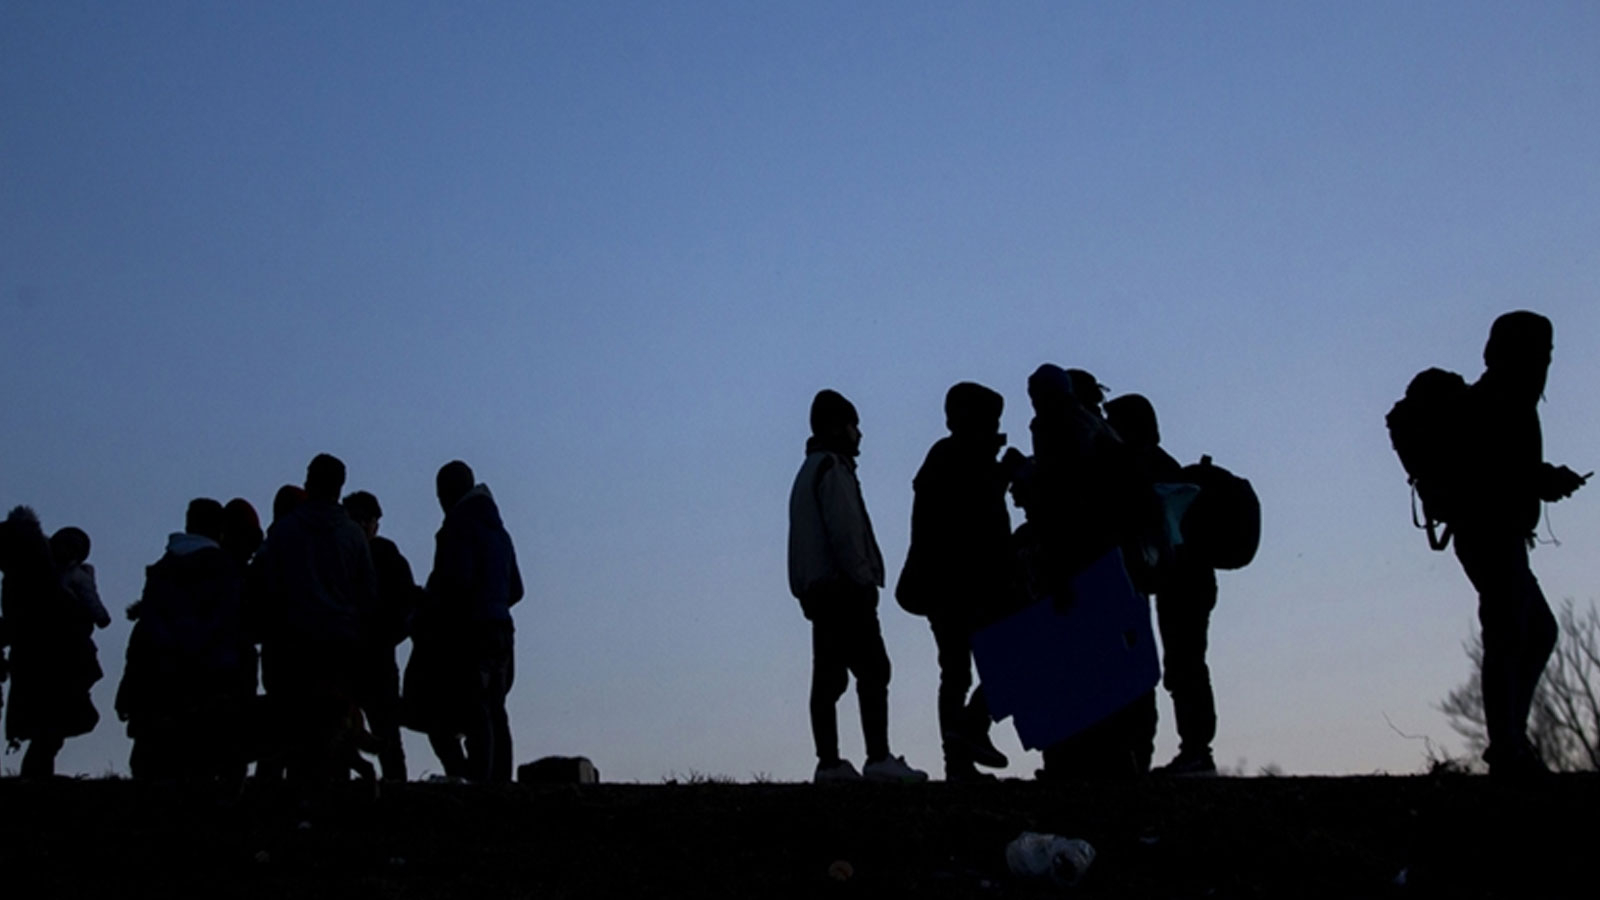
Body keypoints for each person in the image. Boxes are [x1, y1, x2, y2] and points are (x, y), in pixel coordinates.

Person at [1452, 311, 1586, 778]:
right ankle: (1507, 748)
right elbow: (1495, 471)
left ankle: (1510, 740)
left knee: (1535, 631)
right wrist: (1546, 480)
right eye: (1540, 352)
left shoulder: (1507, 397)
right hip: (1488, 533)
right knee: (1509, 632)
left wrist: (1542, 480)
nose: (1545, 363)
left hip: (1499, 533)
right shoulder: (1499, 400)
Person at [788, 389, 927, 784]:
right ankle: (877, 757)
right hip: (844, 588)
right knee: (873, 670)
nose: (859, 434)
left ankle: (829, 762)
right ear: (836, 426)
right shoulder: (832, 469)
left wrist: (803, 589)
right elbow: (846, 531)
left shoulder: (808, 472)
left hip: (820, 591)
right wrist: (863, 578)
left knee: (828, 678)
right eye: (853, 425)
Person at [897, 382, 1014, 781]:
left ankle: (960, 755)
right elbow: (976, 517)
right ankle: (968, 736)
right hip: (965, 587)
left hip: (949, 587)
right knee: (1000, 664)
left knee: (958, 672)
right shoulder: (958, 459)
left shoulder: (949, 457)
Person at [1106, 393, 1219, 776]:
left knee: (1184, 666)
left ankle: (1197, 752)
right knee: (1185, 664)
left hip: (1182, 580)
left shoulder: (1145, 466)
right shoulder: (1160, 463)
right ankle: (1195, 750)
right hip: (1189, 580)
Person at [251, 454, 378, 786]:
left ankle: (289, 807)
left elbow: (269, 588)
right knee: (331, 735)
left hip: (290, 646)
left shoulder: (284, 533)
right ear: (340, 487)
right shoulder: (353, 536)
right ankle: (330, 807)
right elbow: (368, 597)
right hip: (338, 649)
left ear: (310, 483)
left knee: (288, 732)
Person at [116, 498, 253, 780]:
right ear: (220, 529)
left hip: (159, 675)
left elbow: (145, 631)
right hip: (210, 678)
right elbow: (227, 625)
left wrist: (130, 684)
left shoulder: (162, 570)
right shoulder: (224, 569)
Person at [407, 461, 523, 783]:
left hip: (471, 633)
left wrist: (428, 608)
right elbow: (517, 589)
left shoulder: (457, 528)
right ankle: (500, 784)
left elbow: (456, 584)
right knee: (496, 711)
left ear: (447, 493)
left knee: (473, 712)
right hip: (502, 631)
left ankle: (478, 786)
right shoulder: (500, 533)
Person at [0, 507, 102, 777]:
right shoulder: (37, 573)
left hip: (50, 656)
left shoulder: (29, 572)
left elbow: (23, 617)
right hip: (52, 657)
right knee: (49, 728)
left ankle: (36, 776)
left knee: (47, 728)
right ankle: (37, 777)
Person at [343, 490, 421, 781]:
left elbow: (405, 608)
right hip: (361, 658)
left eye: (368, 519)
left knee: (384, 737)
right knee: (351, 737)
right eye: (359, 519)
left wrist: (384, 637)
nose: (364, 525)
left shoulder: (383, 556)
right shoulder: (383, 556)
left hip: (370, 658)